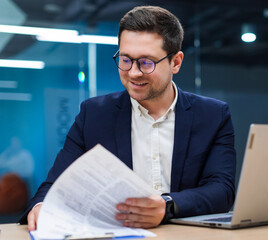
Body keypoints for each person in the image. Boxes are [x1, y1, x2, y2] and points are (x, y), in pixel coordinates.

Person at [20, 5, 236, 230]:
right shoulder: (93, 115)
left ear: (176, 62)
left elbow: (222, 190)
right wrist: (41, 206)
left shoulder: (213, 115)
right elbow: (53, 187)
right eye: (125, 60)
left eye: (146, 62)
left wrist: (167, 205)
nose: (133, 72)